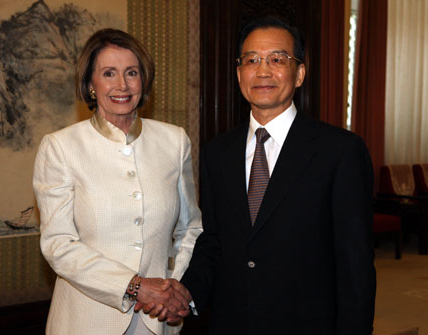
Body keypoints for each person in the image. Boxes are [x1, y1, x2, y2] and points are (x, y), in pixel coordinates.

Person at [157, 16, 376, 334]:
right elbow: (214, 241)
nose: (262, 71)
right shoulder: (218, 152)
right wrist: (187, 292)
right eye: (252, 60)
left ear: (299, 73)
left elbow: (355, 263)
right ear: (238, 73)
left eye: (277, 59)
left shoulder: (340, 151)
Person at [33, 28, 202, 335]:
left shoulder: (174, 141)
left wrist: (172, 289)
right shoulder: (60, 147)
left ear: (143, 80)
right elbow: (58, 244)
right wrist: (135, 287)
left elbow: (190, 228)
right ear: (90, 84)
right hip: (86, 321)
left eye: (132, 73)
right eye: (109, 73)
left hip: (159, 321)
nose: (122, 85)